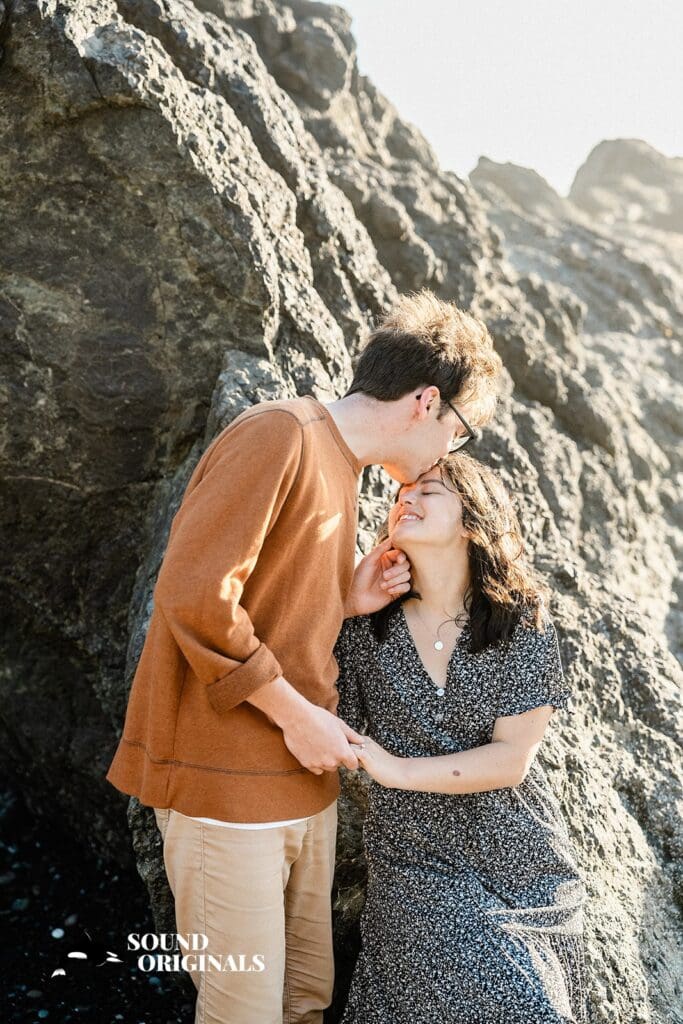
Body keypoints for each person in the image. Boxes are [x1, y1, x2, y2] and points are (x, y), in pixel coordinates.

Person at [105, 289, 503, 1024]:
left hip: (301, 788)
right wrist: (297, 719)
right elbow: (193, 596)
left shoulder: (343, 469)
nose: (452, 449)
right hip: (225, 790)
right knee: (244, 1012)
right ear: (425, 400)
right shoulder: (279, 434)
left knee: (301, 1004)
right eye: (460, 429)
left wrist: (342, 600)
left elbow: (259, 603)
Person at [334, 452, 590, 1024]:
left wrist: (397, 770)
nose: (409, 499)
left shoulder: (517, 621)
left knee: (532, 1002)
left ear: (473, 521)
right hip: (415, 859)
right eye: (404, 492)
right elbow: (330, 715)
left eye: (431, 491)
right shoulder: (367, 623)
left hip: (519, 863)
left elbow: (510, 759)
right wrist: (342, 603)